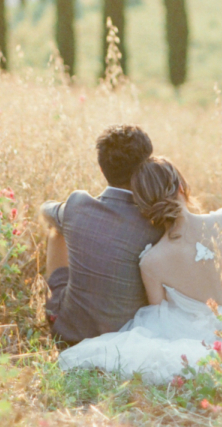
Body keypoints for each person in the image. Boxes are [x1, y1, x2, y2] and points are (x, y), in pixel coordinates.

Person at [57, 156, 222, 384]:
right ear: (182, 187)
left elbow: (160, 320)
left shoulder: (152, 262)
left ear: (143, 209)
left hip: (201, 345)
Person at [41, 124, 163, 343]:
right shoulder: (154, 222)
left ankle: (52, 309)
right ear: (147, 168)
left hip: (68, 332)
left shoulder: (78, 204)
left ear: (101, 168)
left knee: (55, 228)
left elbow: (45, 210)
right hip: (123, 337)